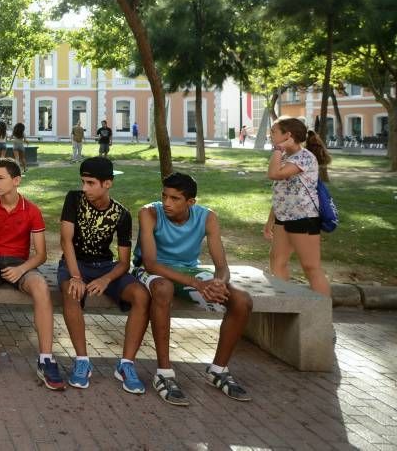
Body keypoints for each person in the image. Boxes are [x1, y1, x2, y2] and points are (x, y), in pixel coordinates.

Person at [133, 172, 253, 406]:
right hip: (152, 271)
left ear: (190, 202)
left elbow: (222, 266)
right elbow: (150, 263)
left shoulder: (207, 217)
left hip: (189, 270)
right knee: (163, 288)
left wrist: (219, 282)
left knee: (242, 300)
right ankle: (164, 373)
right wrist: (197, 284)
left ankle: (218, 369)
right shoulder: (149, 213)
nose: (167, 203)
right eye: (164, 196)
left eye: (175, 198)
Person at [0, 157, 64, 390]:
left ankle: (46, 359)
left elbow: (41, 255)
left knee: (41, 287)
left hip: (20, 264)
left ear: (16, 180)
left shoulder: (31, 211)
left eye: (1, 178)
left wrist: (21, 269)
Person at [58, 157, 151, 394]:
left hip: (105, 267)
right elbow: (65, 240)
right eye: (83, 182)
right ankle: (82, 361)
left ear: (107, 183)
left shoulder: (121, 215)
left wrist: (106, 279)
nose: (84, 188)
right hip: (74, 264)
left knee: (141, 295)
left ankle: (126, 364)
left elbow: (123, 262)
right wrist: (77, 277)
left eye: (90, 183)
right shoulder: (73, 199)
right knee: (71, 292)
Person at [264, 117, 332, 296]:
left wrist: (278, 149)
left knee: (310, 267)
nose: (270, 135)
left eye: (274, 132)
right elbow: (281, 192)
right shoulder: (285, 156)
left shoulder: (305, 157)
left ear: (288, 135)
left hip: (304, 219)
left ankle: (322, 316)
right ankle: (283, 306)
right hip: (283, 218)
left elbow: (274, 174)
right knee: (277, 262)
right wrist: (271, 220)